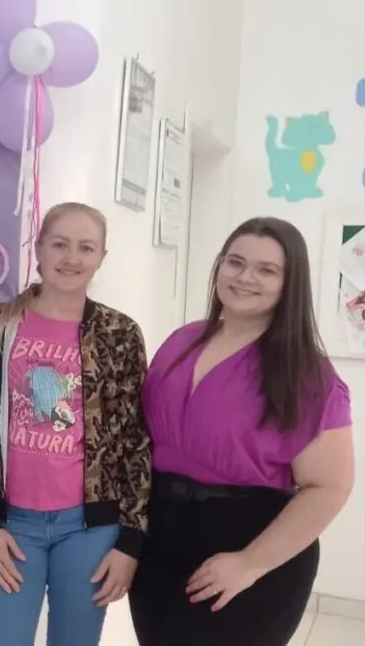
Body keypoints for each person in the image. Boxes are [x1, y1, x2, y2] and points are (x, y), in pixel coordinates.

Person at [129, 217, 355, 645]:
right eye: (235, 262)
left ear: (290, 284)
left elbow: (330, 487)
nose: (245, 277)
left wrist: (249, 563)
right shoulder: (181, 341)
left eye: (266, 270)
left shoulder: (306, 374)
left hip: (251, 548)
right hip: (161, 540)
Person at [0, 202, 152, 646]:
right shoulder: (1, 324)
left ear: (102, 257)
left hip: (90, 530)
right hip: (13, 527)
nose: (72, 257)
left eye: (87, 247)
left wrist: (130, 541)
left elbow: (135, 439)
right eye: (60, 244)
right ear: (40, 248)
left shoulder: (119, 333)